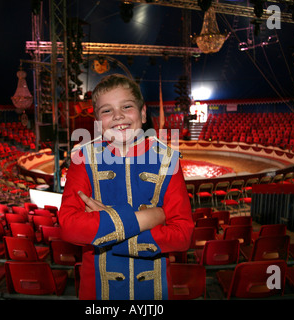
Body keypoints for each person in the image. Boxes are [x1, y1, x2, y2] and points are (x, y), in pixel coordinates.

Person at [58, 74, 194, 300]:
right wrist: (151, 217)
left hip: (154, 291)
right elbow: (69, 226)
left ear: (142, 113)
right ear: (98, 121)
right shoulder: (82, 159)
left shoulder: (168, 160)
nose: (118, 116)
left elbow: (183, 235)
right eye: (107, 110)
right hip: (98, 292)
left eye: (126, 106)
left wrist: (105, 226)